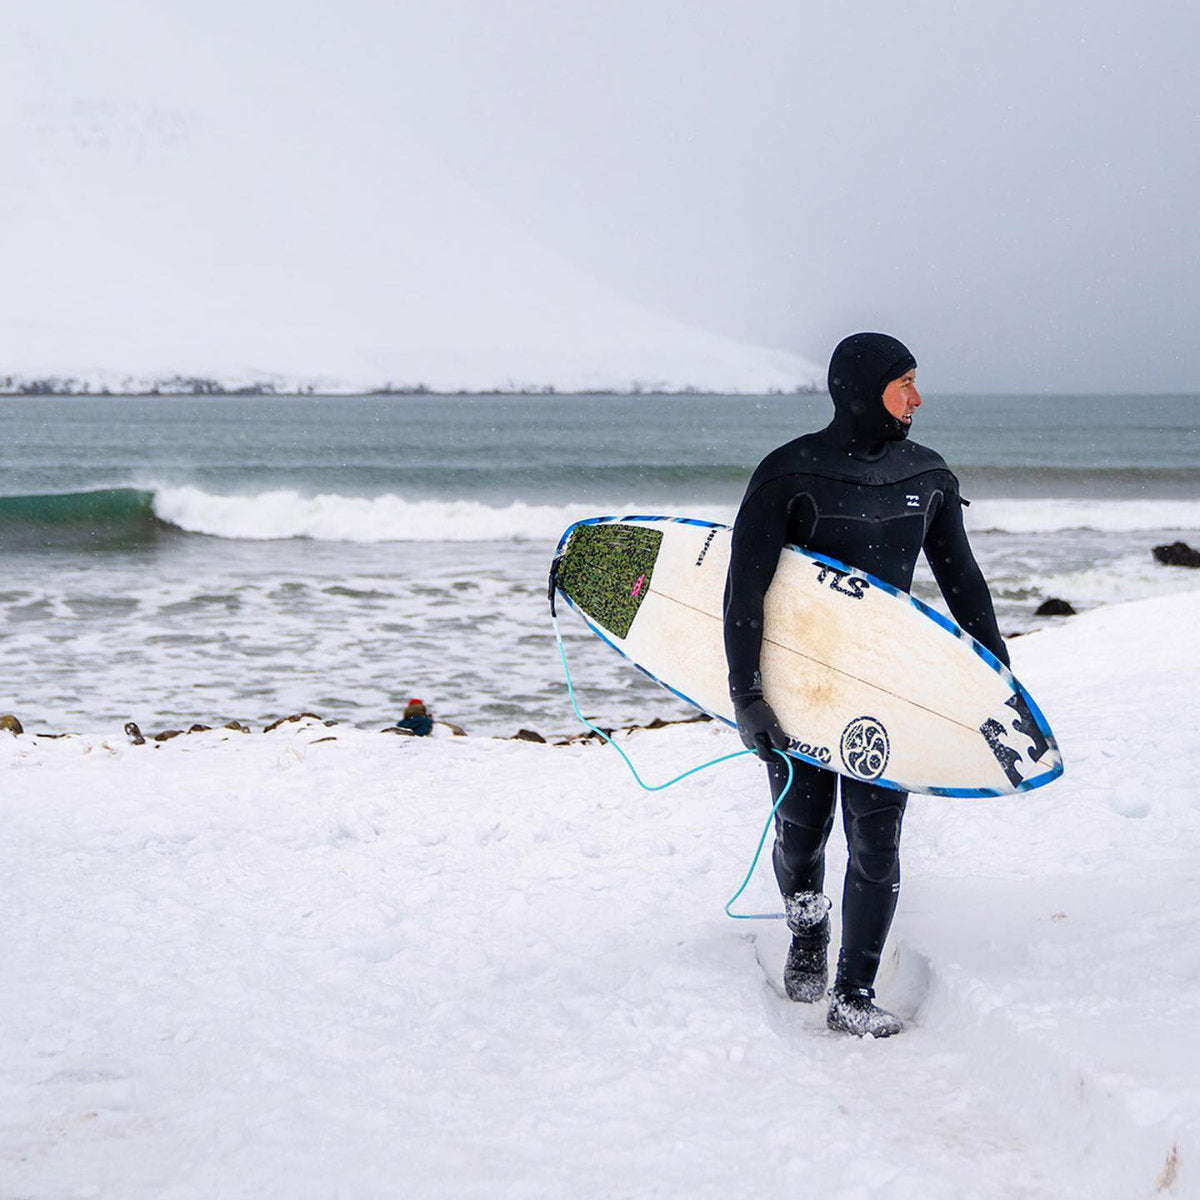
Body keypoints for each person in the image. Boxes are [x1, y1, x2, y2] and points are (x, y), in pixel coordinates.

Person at [723, 332, 1008, 1037]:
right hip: (802, 688)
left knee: (877, 841)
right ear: (859, 388)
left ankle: (853, 993)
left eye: (916, 381)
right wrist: (748, 695)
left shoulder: (928, 475)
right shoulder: (789, 475)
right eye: (903, 382)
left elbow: (962, 582)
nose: (917, 398)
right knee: (802, 833)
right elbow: (744, 594)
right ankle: (808, 924)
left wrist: (996, 678)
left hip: (885, 687)